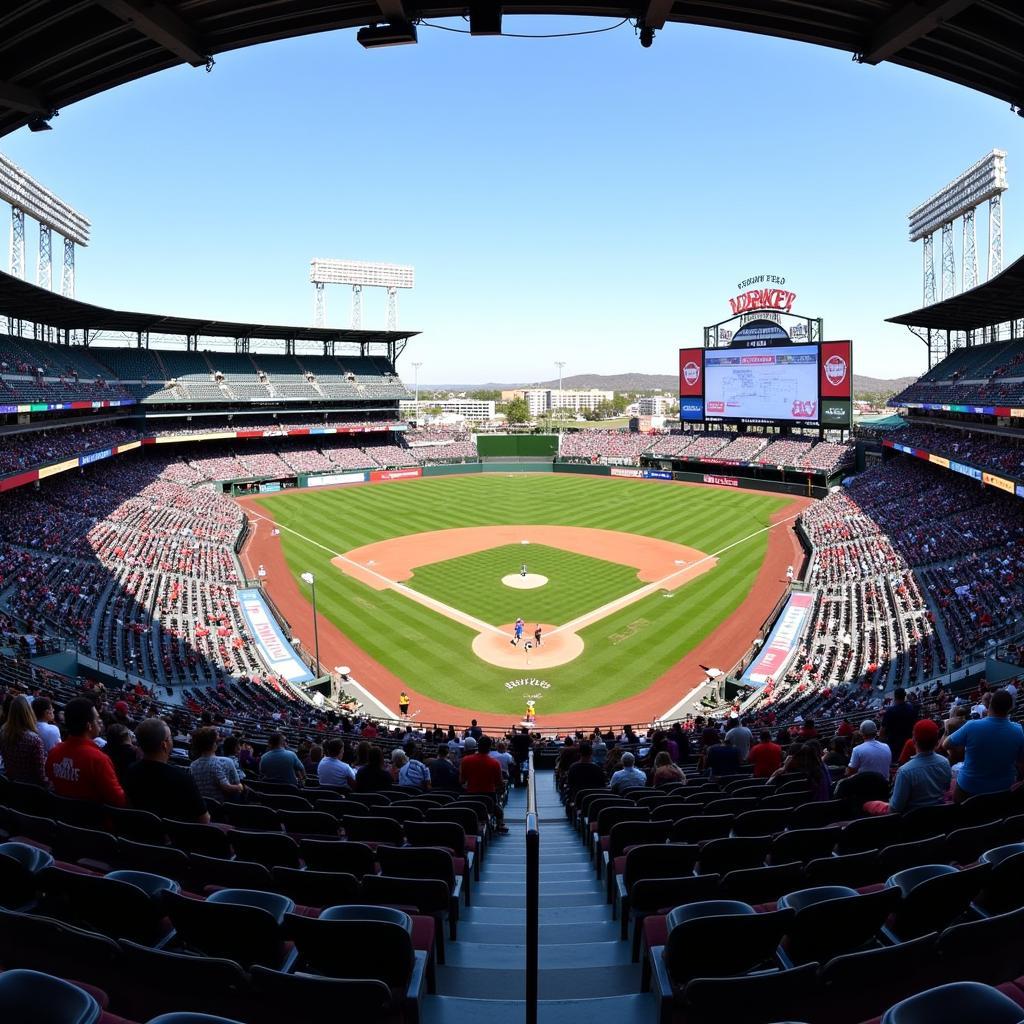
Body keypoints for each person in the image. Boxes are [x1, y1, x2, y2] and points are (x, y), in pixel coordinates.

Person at [941, 688, 1024, 802]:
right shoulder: (1018, 731)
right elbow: (1021, 763)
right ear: (1010, 709)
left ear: (990, 705)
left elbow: (945, 745)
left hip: (968, 789)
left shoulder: (972, 726)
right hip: (1004, 790)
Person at [124, 718, 209, 823]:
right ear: (164, 744)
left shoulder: (130, 770)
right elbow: (204, 819)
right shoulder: (182, 778)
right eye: (170, 737)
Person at [45, 697, 125, 806]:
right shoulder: (99, 760)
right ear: (89, 726)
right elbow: (118, 800)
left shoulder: (53, 753)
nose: (100, 721)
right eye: (97, 719)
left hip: (59, 817)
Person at [866, 719, 951, 815]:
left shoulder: (905, 771)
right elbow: (946, 788)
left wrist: (870, 805)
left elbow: (895, 809)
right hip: (940, 818)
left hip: (912, 823)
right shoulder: (945, 762)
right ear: (936, 741)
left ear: (914, 740)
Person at [460, 735, 508, 833]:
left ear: (478, 746)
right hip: (488, 798)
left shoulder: (466, 760)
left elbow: (461, 781)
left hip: (469, 797)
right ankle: (500, 824)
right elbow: (499, 784)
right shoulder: (495, 763)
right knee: (499, 811)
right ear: (490, 747)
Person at [0, 694, 47, 787]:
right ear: (29, 713)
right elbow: (41, 776)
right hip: (30, 789)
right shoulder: (35, 740)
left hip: (10, 784)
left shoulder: (3, 732)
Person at [189, 726, 244, 803]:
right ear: (213, 744)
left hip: (203, 806)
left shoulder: (192, 765)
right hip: (222, 808)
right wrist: (240, 787)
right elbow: (233, 787)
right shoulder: (227, 761)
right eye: (217, 741)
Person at [881, 687, 918, 761]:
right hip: (909, 743)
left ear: (895, 697)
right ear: (904, 696)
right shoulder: (912, 708)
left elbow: (883, 730)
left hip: (894, 746)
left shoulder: (890, 711)